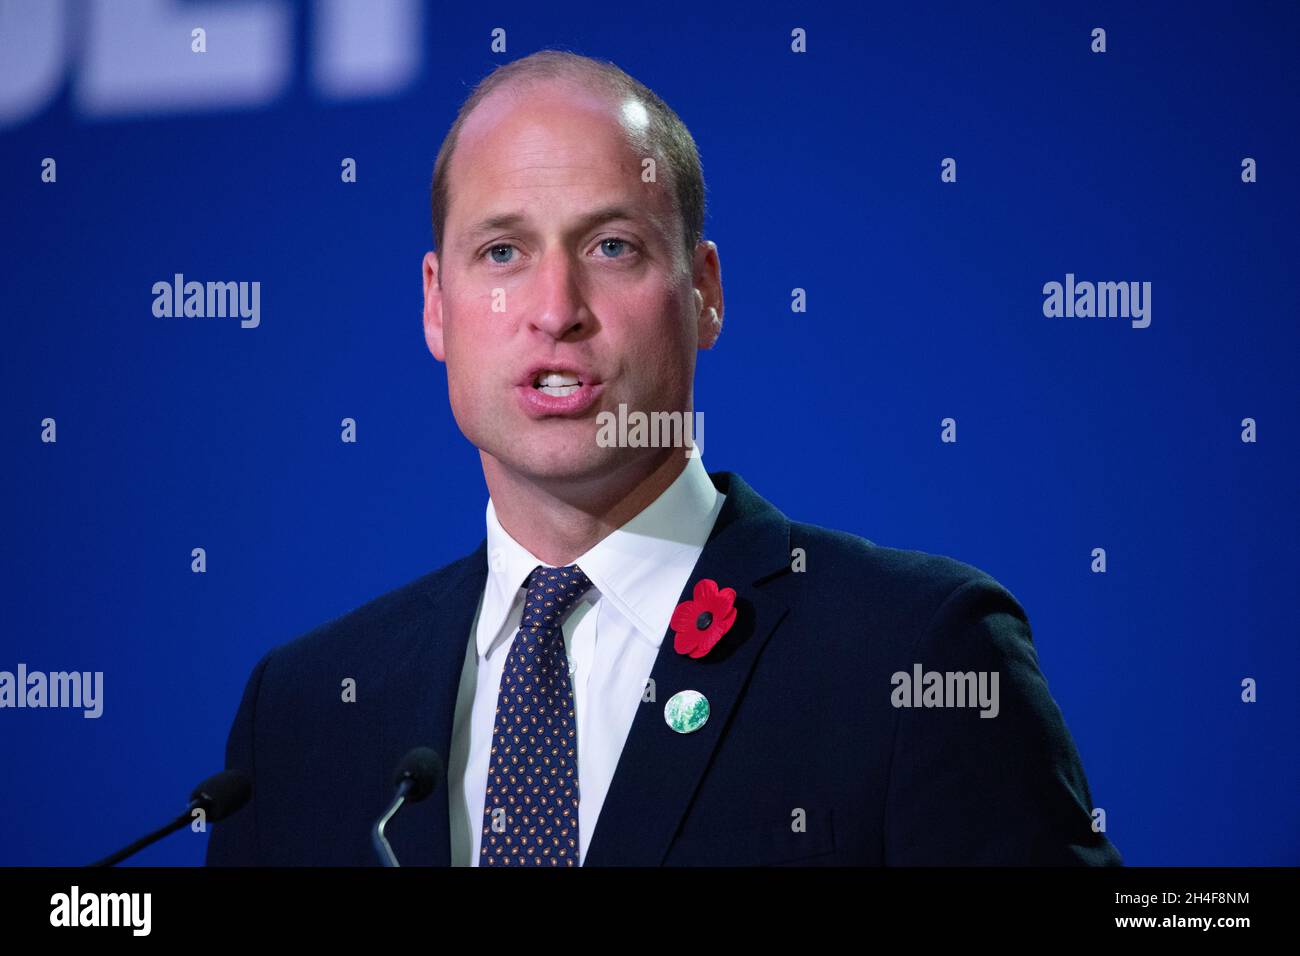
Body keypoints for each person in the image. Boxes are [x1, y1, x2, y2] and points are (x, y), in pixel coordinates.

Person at [206, 49, 1121, 867]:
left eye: (612, 246)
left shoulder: (915, 653)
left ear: (705, 293)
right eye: (502, 251)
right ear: (436, 306)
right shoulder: (303, 712)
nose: (556, 306)